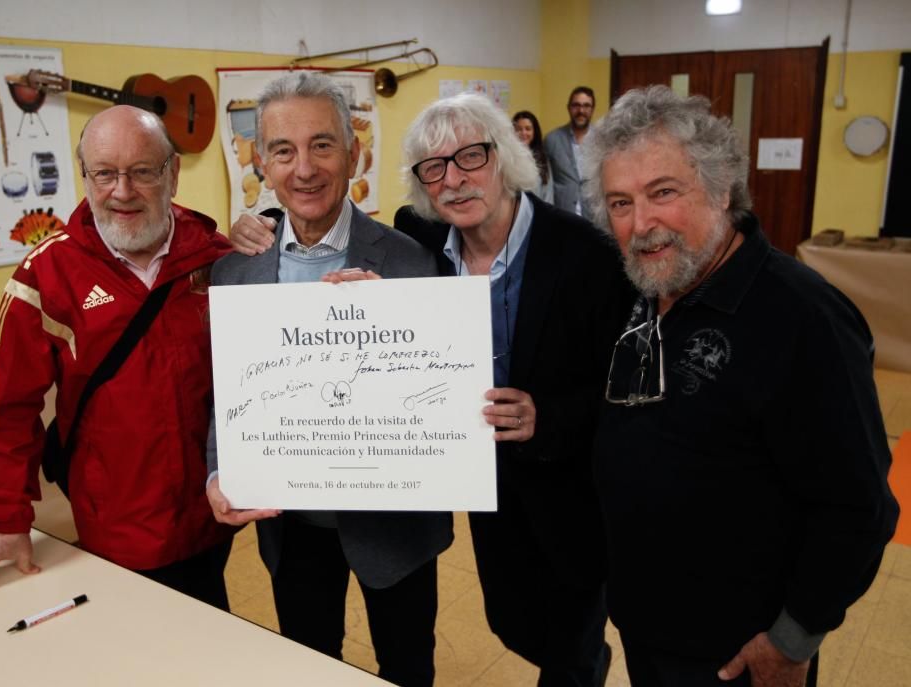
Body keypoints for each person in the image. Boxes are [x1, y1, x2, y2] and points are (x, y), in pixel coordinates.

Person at [580, 85, 900, 687]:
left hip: (738, 653)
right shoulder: (645, 289)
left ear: (722, 187)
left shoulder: (805, 318)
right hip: (646, 623)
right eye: (620, 203)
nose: (641, 222)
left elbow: (858, 507)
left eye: (663, 192)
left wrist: (793, 640)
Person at [0, 105, 259, 609]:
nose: (122, 191)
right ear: (84, 174)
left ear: (173, 173)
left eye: (142, 171)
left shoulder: (217, 260)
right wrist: (8, 518)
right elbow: (10, 411)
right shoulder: (45, 277)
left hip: (209, 518)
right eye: (105, 173)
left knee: (207, 641)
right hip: (113, 526)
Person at [205, 71, 452, 687]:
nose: (304, 168)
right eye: (283, 151)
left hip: (395, 527)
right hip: (293, 525)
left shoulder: (412, 264)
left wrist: (402, 327)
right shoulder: (236, 273)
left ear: (353, 153)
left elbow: (448, 390)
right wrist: (219, 469)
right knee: (309, 664)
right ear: (261, 163)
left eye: (321, 145)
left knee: (406, 667)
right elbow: (223, 392)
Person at [395, 93, 633, 687]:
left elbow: (627, 388)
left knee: (569, 646)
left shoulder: (589, 254)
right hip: (487, 488)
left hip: (570, 490)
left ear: (505, 157)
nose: (454, 180)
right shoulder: (423, 244)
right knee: (511, 624)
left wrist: (548, 417)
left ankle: (583, 663)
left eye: (470, 157)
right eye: (434, 167)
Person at [544, 86, 595, 215]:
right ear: (569, 108)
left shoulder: (603, 139)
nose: (581, 110)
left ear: (592, 109)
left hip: (594, 218)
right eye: (576, 105)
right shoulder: (552, 140)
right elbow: (545, 182)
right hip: (562, 217)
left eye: (586, 106)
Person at [512, 110, 554, 205]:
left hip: (538, 213)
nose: (523, 133)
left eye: (528, 129)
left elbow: (548, 193)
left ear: (534, 132)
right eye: (518, 129)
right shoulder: (506, 158)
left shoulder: (543, 159)